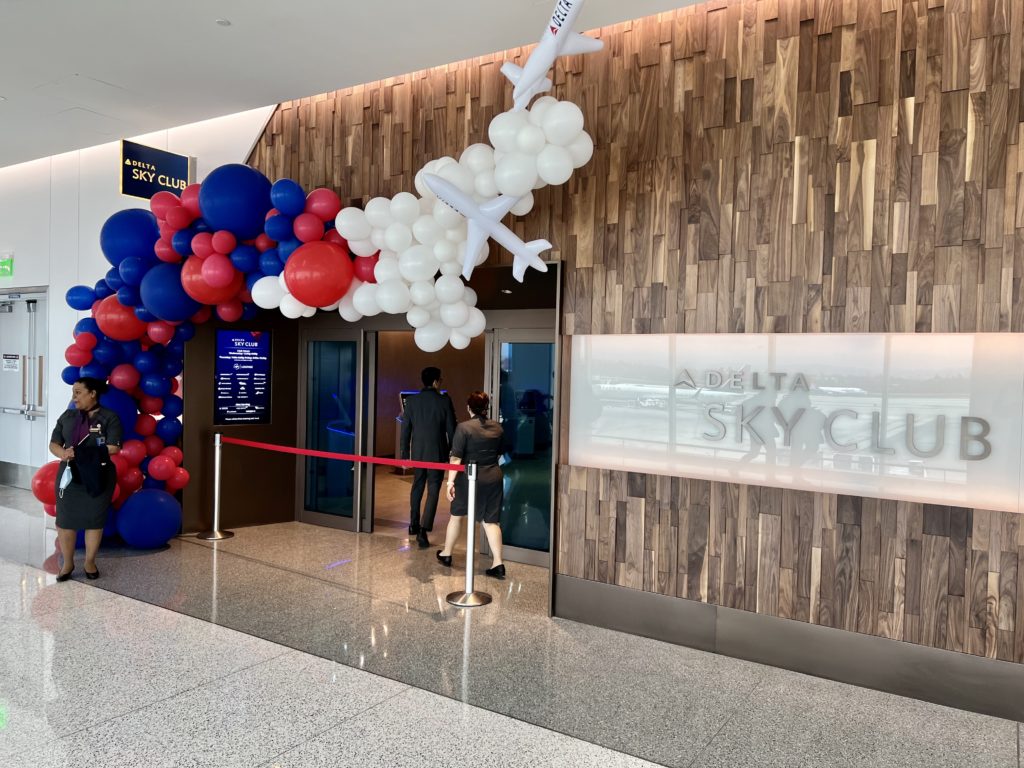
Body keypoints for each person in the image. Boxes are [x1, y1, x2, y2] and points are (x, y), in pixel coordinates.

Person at [48, 377, 123, 582]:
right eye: (73, 392)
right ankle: (68, 564)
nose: (74, 397)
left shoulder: (109, 417)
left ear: (93, 393)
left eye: (79, 392)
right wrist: (63, 454)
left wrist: (83, 452)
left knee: (94, 521)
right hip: (70, 475)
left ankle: (90, 562)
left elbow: (114, 447)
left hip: (98, 475)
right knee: (65, 521)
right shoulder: (68, 416)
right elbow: (54, 443)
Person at [437, 391, 507, 579]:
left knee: (457, 515)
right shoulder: (498, 428)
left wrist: (449, 482)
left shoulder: (464, 428)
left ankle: (447, 554)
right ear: (487, 408)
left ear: (469, 408)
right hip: (493, 476)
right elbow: (500, 454)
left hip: (469, 478)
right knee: (491, 520)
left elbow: (456, 458)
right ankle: (498, 563)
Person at [400, 366, 456, 548]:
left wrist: (404, 454)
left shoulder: (412, 401)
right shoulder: (444, 401)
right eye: (440, 380)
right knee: (433, 490)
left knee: (417, 486)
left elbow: (405, 429)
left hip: (418, 452)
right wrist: (453, 451)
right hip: (437, 453)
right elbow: (451, 429)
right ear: (435, 381)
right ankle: (423, 530)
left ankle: (413, 523)